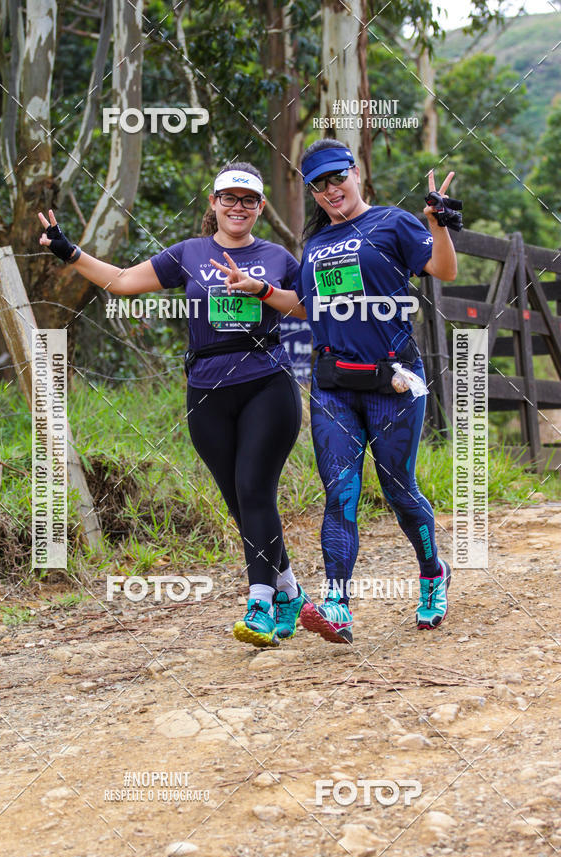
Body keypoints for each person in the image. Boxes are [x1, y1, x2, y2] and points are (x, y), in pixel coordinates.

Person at [37, 162, 310, 648]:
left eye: (248, 200)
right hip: (206, 391)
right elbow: (121, 281)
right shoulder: (190, 253)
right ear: (213, 203)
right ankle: (289, 589)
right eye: (229, 197)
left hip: (267, 382)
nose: (238, 207)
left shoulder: (277, 257)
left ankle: (261, 602)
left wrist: (261, 289)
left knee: (254, 487)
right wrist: (69, 251)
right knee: (238, 499)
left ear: (261, 208)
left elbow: (308, 306)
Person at [214, 140, 459, 645]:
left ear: (356, 173)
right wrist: (257, 289)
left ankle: (433, 573)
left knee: (398, 489)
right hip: (332, 386)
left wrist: (438, 224)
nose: (330, 190)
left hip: (394, 382)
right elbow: (307, 307)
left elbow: (444, 270)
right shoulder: (319, 244)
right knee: (339, 493)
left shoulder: (392, 223)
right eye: (318, 185)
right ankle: (337, 604)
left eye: (336, 178)